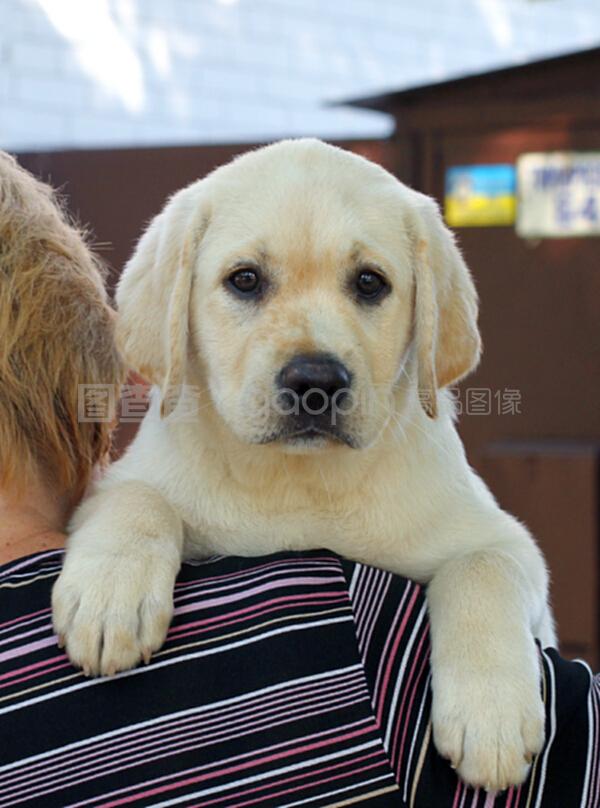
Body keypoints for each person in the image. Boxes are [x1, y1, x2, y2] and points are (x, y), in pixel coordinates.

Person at [0, 151, 598, 808]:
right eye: (248, 281)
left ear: (427, 318)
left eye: (368, 285)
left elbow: (499, 554)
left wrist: (483, 630)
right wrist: (132, 524)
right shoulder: (159, 466)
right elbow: (127, 496)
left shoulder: (426, 475)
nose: (315, 363)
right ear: (175, 307)